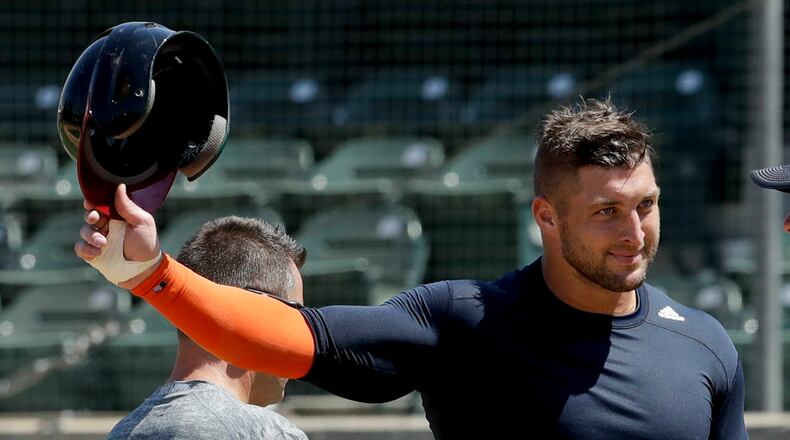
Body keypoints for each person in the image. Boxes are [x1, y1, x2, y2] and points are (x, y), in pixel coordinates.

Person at [77, 98, 747, 439]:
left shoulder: (705, 346)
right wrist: (150, 274)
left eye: (647, 206)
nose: (635, 233)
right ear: (546, 216)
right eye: (607, 212)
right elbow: (281, 336)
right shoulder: (465, 321)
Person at [106, 216, 308, 440]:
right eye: (296, 314)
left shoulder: (124, 431)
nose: (300, 329)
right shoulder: (266, 433)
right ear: (259, 308)